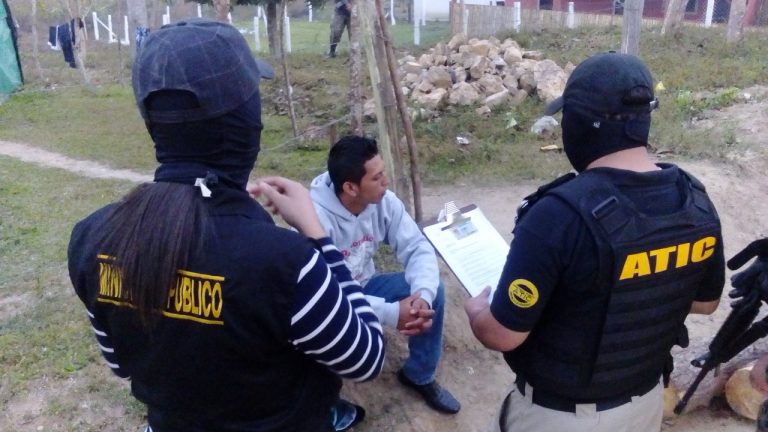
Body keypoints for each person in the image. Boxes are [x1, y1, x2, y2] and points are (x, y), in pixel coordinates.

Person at [67, 19, 384, 432]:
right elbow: (366, 358)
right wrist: (318, 237)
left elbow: (120, 363)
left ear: (152, 122)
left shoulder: (91, 238)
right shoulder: (286, 262)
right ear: (246, 123)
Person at [464, 52, 725, 432]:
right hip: (645, 406)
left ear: (580, 122)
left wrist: (476, 312)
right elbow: (705, 302)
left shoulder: (557, 215)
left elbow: (503, 334)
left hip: (560, 418)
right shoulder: (695, 202)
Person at [310, 135, 461, 414]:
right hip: (329, 302)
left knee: (434, 289)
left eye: (384, 173)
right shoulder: (314, 220)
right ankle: (323, 401)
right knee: (311, 329)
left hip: (365, 286)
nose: (386, 182)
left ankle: (419, 374)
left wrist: (422, 297)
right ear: (351, 187)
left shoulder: (385, 202)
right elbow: (324, 296)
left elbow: (417, 247)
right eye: (377, 177)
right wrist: (391, 313)